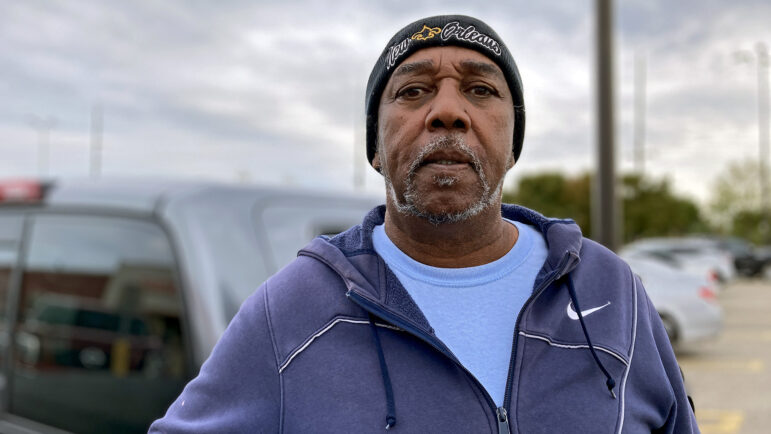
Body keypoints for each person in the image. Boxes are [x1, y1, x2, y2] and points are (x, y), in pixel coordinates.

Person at [150, 15, 698, 433]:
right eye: (413, 91)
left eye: (481, 90)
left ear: (513, 144)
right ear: (375, 148)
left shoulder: (613, 291)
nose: (448, 111)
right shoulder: (290, 310)